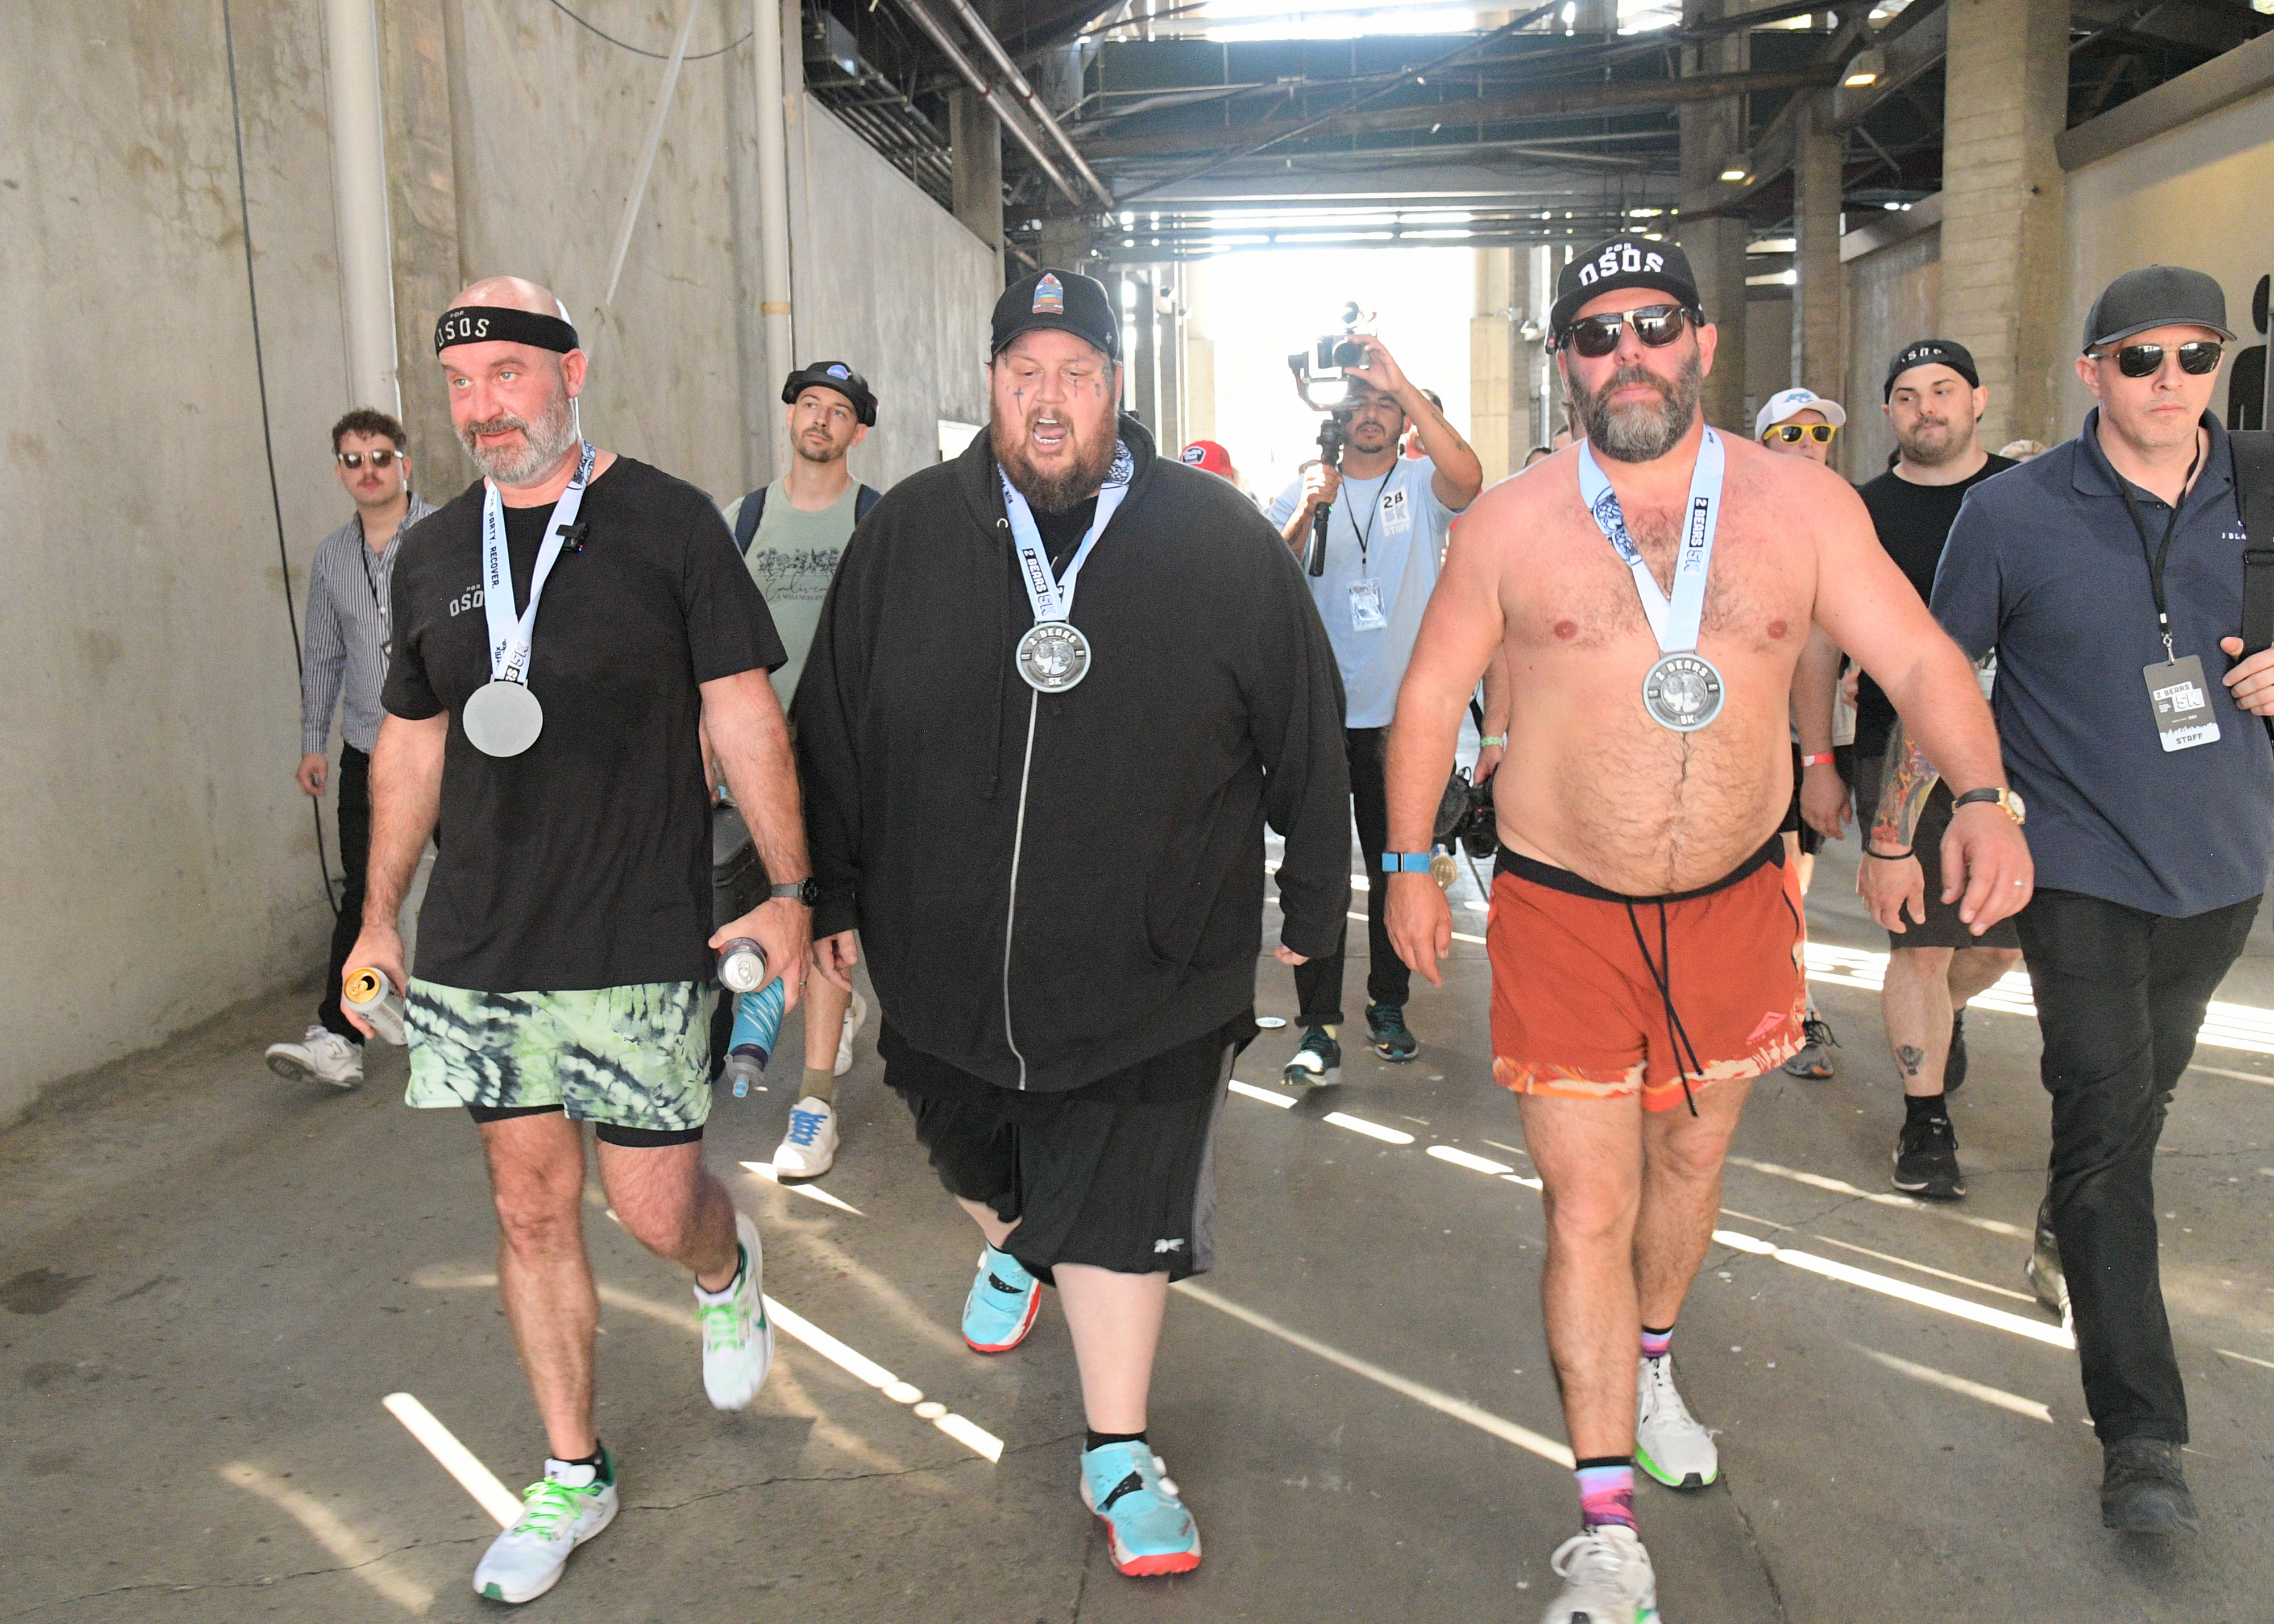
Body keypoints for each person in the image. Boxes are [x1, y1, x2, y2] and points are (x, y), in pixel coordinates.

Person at [1381, 236, 2031, 1624]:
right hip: (1563, 908)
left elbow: (1916, 656)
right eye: (1596, 332)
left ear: (1701, 344)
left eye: (1654, 324)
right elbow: (1431, 692)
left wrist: (1979, 792)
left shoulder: (1795, 507)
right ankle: (1606, 1528)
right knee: (1589, 1202)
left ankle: (1654, 1355)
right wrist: (1407, 861)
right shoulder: (1507, 519)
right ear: (1564, 360)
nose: (1628, 353)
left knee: (1687, 1161)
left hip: (1736, 902)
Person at [794, 268, 1350, 1578]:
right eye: (1023, 374)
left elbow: (1308, 733)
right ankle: (1016, 1242)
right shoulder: (909, 537)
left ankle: (1116, 1447)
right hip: (942, 969)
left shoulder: (1217, 542)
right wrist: (828, 886)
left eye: (1076, 374)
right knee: (972, 1155)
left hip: (1155, 967)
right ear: (991, 385)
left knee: (1116, 1206)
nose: (1048, 401)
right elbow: (830, 724)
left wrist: (1319, 905)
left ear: (1116, 386)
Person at [346, 277, 810, 1605]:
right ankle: (571, 1471)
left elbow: (741, 719)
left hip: (639, 929)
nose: (484, 405)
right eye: (462, 383)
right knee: (528, 1208)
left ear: (571, 372)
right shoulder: (432, 552)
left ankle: (728, 1270)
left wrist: (791, 888)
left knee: (652, 1209)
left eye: (508, 373)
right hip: (483, 945)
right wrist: (379, 911)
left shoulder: (667, 525)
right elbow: (418, 744)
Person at [1878, 265, 2268, 1534]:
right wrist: (1898, 831)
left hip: (2223, 858)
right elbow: (1939, 676)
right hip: (2076, 862)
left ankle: (2077, 1215)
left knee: (2141, 1094)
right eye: (2139, 358)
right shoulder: (2014, 511)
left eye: (2193, 357)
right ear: (2090, 370)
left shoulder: (2259, 489)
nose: (2168, 382)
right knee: (2102, 1108)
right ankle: (2141, 1434)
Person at [1798, 340, 2023, 1198]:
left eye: (1943, 390)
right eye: (1906, 395)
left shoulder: (2025, 498)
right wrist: (1819, 760)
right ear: (1888, 412)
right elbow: (1819, 649)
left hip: (2018, 754)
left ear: (1978, 399)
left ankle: (1945, 1018)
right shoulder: (1859, 512)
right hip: (1899, 756)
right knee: (1922, 943)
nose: (1926, 407)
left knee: (1994, 947)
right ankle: (1925, 1122)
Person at [1267, 338, 1483, 1084]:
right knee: (1319, 874)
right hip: (1323, 721)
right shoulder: (1302, 489)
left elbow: (1471, 476)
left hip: (1403, 728)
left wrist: (1404, 381)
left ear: (1402, 414)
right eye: (1357, 401)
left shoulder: (1423, 483)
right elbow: (1270, 580)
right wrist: (1307, 508)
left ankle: (1387, 1006)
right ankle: (1317, 1027)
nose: (1370, 414)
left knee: (1399, 866)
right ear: (1336, 414)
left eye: (1383, 402)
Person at [718, 360, 883, 1177]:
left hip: (846, 761)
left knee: (822, 918)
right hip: (755, 762)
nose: (821, 419)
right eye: (809, 405)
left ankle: (813, 1101)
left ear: (859, 430)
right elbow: (702, 646)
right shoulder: (742, 520)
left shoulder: (879, 522)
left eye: (839, 410)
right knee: (759, 914)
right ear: (790, 419)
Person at [264, 409, 438, 1089]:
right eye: (354, 460)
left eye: (381, 457)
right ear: (340, 471)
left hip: (453, 746)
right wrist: (314, 742)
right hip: (369, 748)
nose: (369, 471)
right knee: (367, 895)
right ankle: (338, 1036)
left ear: (405, 464)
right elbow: (324, 657)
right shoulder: (334, 557)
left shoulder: (450, 536)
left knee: (487, 883)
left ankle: (514, 1017)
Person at [1754, 387, 1850, 1079]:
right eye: (1789, 434)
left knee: (1796, 879)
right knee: (1780, 879)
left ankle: (1786, 999)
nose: (1807, 444)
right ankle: (1794, 1010)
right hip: (1754, 733)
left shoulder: (1846, 518)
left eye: (1817, 433)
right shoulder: (1735, 525)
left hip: (1820, 730)